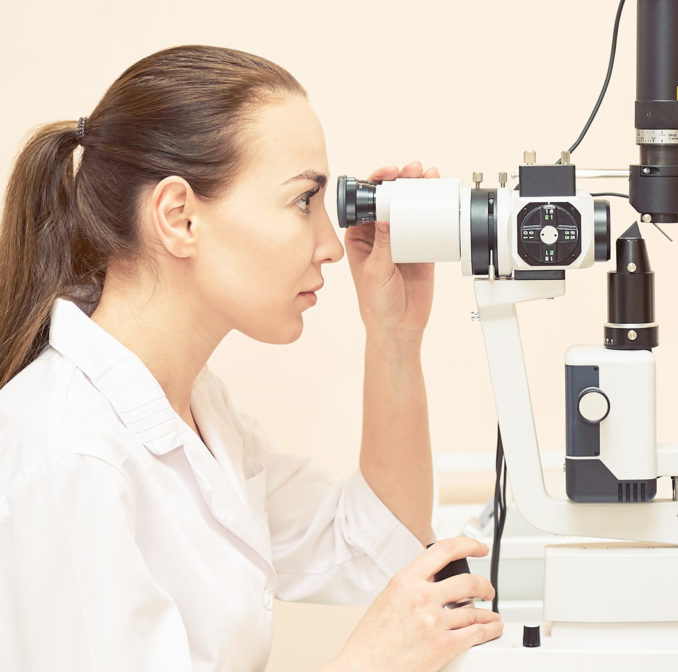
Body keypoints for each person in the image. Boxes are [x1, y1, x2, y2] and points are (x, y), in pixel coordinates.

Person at [0, 45, 501, 671]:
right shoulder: (71, 457)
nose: (327, 244)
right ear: (179, 216)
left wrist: (394, 335)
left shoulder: (197, 410)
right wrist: (368, 661)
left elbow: (372, 545)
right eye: (302, 201)